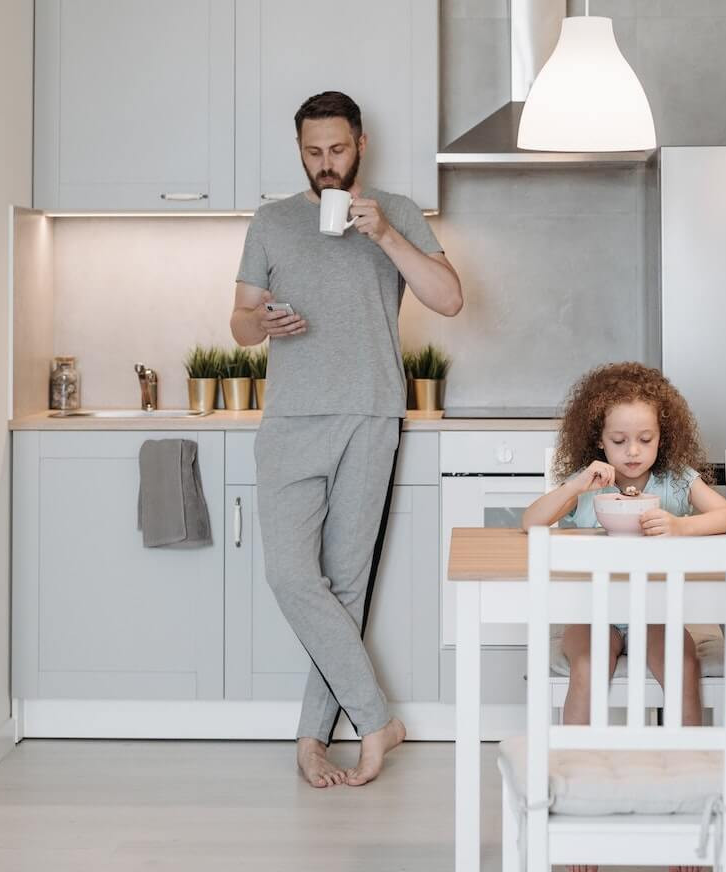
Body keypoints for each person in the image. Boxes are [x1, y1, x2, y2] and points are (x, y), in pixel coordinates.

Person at [230, 91, 462, 788]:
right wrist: (261, 324)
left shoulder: (396, 212)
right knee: (293, 577)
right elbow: (239, 322)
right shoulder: (271, 221)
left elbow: (449, 298)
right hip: (291, 421)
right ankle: (375, 717)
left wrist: (386, 235)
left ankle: (311, 738)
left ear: (360, 143)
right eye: (311, 152)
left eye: (336, 150)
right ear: (297, 148)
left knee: (346, 587)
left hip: (369, 415)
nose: (324, 165)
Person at [521, 362, 726, 872]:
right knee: (588, 671)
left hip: (657, 613)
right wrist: (575, 485)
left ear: (665, 435)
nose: (633, 452)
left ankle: (686, 806)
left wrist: (683, 527)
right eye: (620, 441)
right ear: (599, 438)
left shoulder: (677, 481)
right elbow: (532, 521)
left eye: (646, 438)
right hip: (593, 613)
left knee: (683, 669)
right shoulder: (588, 483)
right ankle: (577, 807)